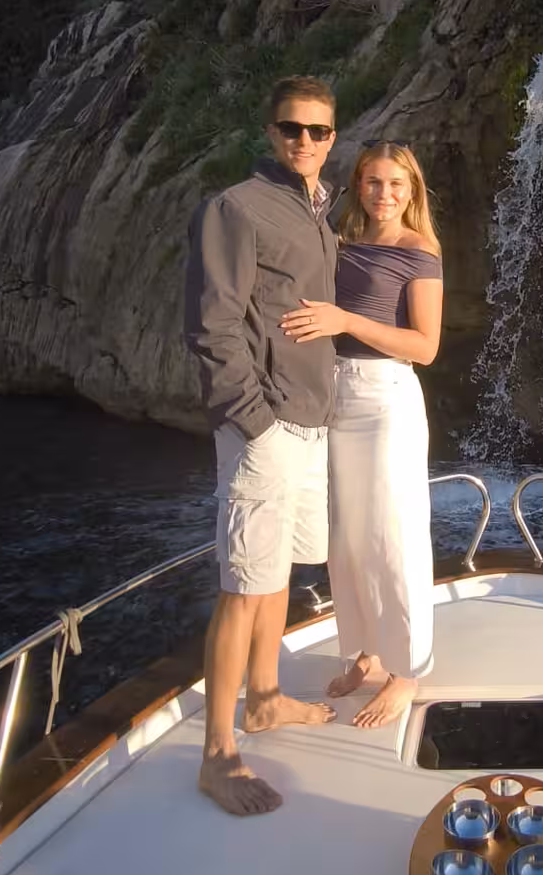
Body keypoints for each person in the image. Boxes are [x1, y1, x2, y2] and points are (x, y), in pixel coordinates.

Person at [183, 76, 341, 816]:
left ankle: (268, 698)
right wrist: (255, 420)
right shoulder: (236, 207)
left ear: (332, 136)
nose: (304, 141)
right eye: (291, 129)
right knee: (242, 585)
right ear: (270, 130)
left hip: (312, 418)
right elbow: (214, 325)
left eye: (318, 130)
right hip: (267, 424)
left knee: (275, 573)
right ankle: (218, 755)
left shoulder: (318, 207)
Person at [281, 143, 443, 729]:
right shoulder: (338, 240)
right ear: (358, 185)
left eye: (396, 184)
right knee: (345, 537)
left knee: (392, 536)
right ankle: (365, 654)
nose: (384, 194)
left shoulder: (419, 251)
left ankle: (407, 671)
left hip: (386, 401)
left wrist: (345, 321)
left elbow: (426, 347)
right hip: (334, 396)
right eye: (373, 183)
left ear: (412, 190)